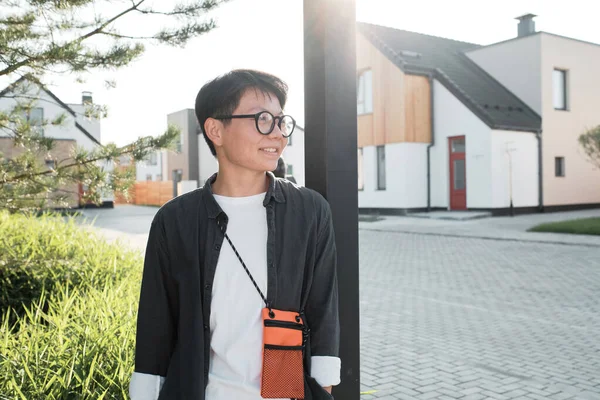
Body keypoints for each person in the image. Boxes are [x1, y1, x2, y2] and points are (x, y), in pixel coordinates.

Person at [129, 69, 340, 400]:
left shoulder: (310, 212)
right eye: (263, 120)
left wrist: (323, 386)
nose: (277, 134)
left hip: (286, 393)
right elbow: (157, 323)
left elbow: (323, 310)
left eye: (281, 121)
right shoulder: (175, 220)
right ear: (215, 130)